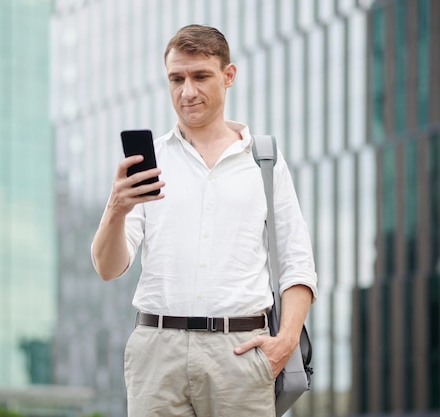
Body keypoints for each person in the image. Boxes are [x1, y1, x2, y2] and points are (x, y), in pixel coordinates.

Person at [91, 24, 317, 417]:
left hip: (240, 353)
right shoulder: (150, 162)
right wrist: (115, 208)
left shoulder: (263, 161)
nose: (187, 91)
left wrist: (285, 342)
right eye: (176, 79)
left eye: (200, 76)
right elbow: (108, 268)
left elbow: (298, 265)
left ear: (228, 76)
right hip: (157, 352)